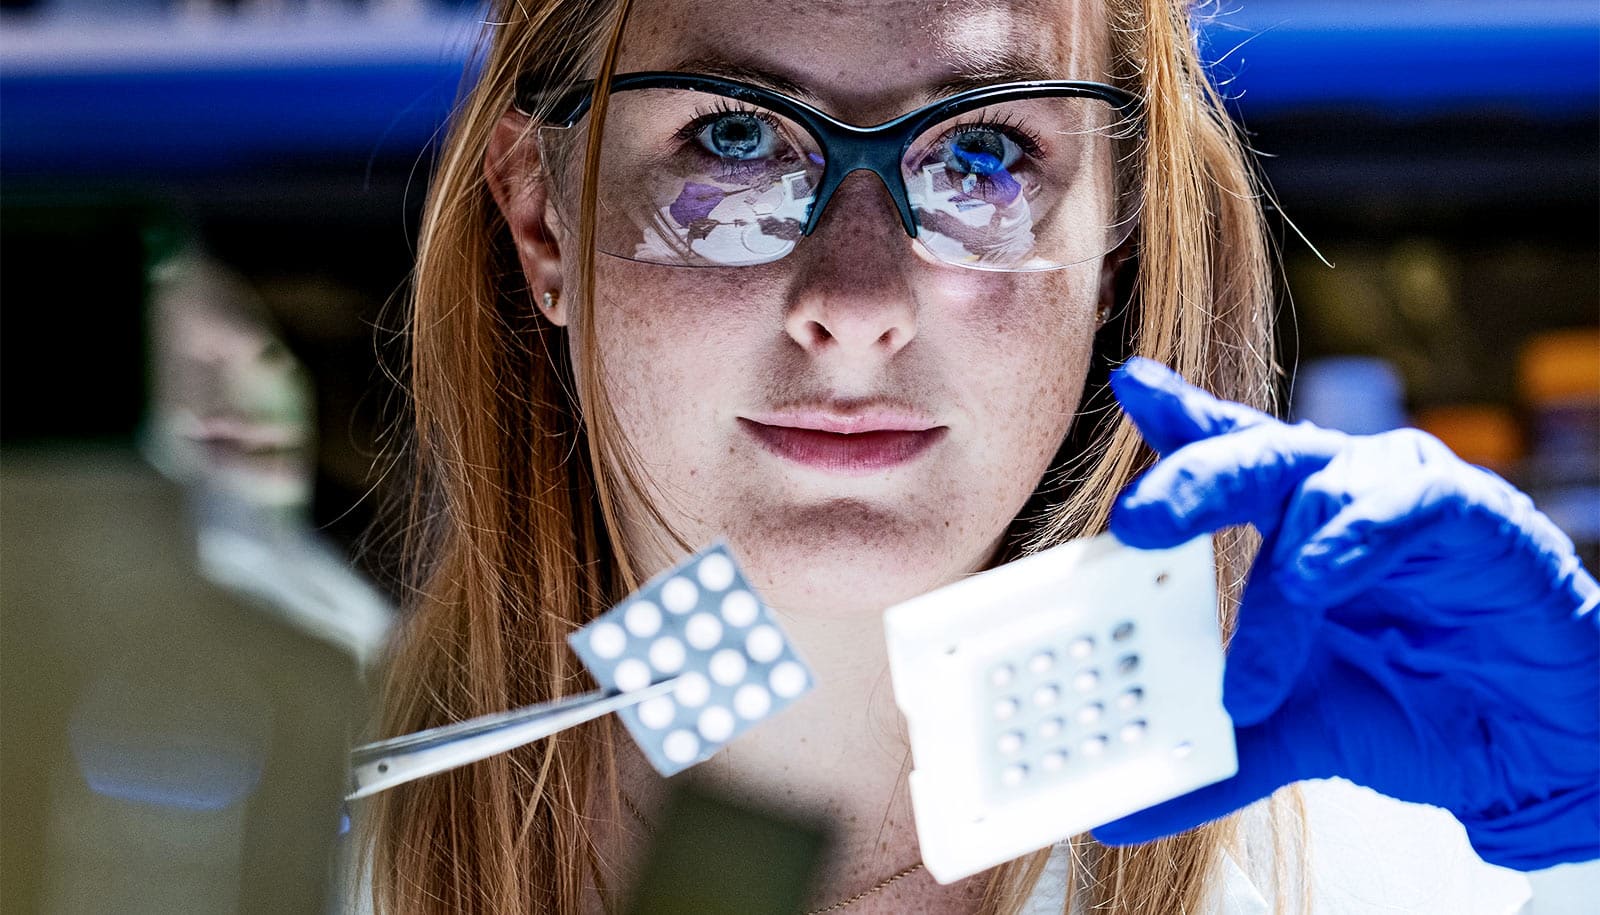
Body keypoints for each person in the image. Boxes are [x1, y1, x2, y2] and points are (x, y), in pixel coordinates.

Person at [359, 1, 1600, 912]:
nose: (854, 299)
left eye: (982, 154)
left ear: (1115, 241)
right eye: (734, 141)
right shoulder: (279, 843)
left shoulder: (1402, 868)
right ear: (542, 223)